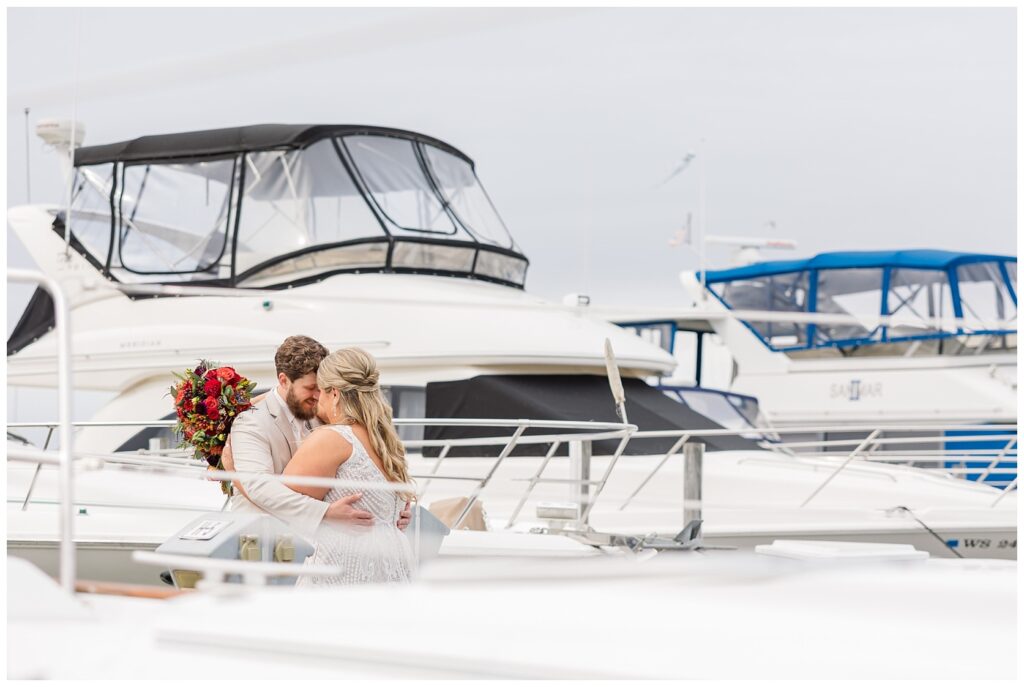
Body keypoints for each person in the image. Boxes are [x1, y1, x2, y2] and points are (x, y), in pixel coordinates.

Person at [222, 335, 410, 542]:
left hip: (315, 543)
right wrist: (325, 513)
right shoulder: (252, 421)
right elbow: (260, 486)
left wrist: (391, 510)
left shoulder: (325, 413)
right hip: (262, 539)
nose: (318, 395)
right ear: (283, 380)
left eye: (321, 388)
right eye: (311, 388)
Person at [284, 347, 414, 585]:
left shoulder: (331, 438)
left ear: (334, 394)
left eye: (321, 391)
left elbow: (279, 505)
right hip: (389, 568)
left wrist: (233, 470)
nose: (317, 399)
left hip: (343, 571)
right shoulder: (385, 441)